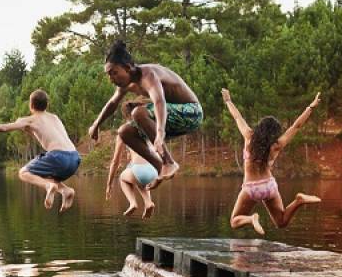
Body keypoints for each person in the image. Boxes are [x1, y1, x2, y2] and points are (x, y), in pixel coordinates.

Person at [88, 40, 203, 189]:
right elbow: (112, 103)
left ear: (128, 68)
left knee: (139, 113)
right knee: (124, 132)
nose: (111, 79)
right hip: (172, 118)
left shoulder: (148, 75)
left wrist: (160, 133)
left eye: (114, 73)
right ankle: (160, 167)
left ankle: (169, 162)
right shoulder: (125, 84)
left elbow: (159, 102)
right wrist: (96, 124)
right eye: (108, 75)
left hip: (192, 113)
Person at [0, 89, 80, 212]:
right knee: (43, 175)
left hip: (58, 157)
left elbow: (4, 128)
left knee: (24, 173)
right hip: (75, 158)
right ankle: (65, 190)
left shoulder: (29, 120)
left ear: (31, 105)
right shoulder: (55, 118)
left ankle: (49, 186)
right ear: (47, 105)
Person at [222, 88, 322, 235]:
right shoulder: (277, 145)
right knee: (281, 222)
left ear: (260, 127)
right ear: (274, 132)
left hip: (251, 189)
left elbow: (237, 117)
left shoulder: (249, 137)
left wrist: (228, 100)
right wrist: (311, 106)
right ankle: (299, 201)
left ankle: (251, 219)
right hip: (269, 186)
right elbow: (296, 126)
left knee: (235, 221)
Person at [106, 100, 157, 218]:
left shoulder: (123, 131)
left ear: (125, 115)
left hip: (139, 170)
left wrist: (109, 184)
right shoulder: (148, 125)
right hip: (155, 170)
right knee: (138, 179)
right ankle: (148, 203)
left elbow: (115, 161)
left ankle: (132, 203)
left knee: (123, 178)